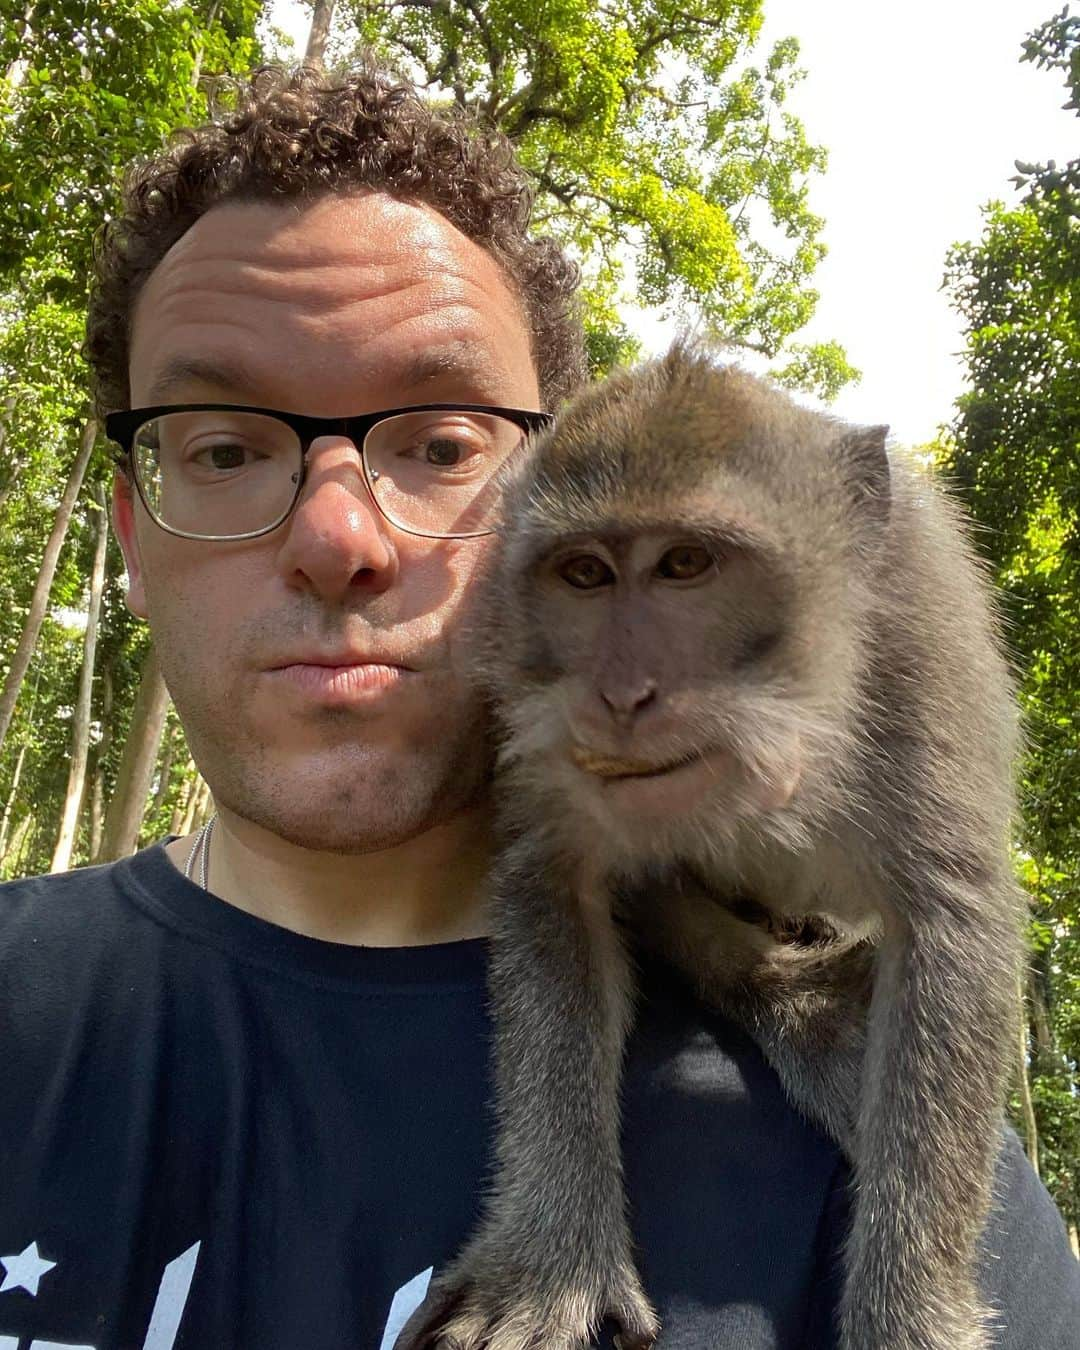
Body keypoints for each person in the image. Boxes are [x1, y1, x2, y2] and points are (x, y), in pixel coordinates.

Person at [0, 62, 1077, 1350]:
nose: (339, 537)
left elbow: (958, 917)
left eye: (440, 444)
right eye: (223, 448)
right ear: (129, 528)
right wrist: (558, 1222)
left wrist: (909, 1308)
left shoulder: (889, 1122)